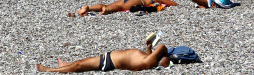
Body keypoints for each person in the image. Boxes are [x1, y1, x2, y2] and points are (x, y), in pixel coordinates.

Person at [36, 41, 170, 72]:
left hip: (109, 62)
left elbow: (163, 46)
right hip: (109, 58)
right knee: (80, 63)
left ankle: (48, 70)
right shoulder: (149, 60)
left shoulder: (151, 62)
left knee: (79, 65)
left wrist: (166, 55)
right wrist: (148, 48)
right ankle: (64, 66)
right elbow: (149, 57)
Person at [76, 0, 177, 16]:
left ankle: (89, 8)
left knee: (110, 5)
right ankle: (106, 10)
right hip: (138, 1)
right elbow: (172, 3)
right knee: (118, 7)